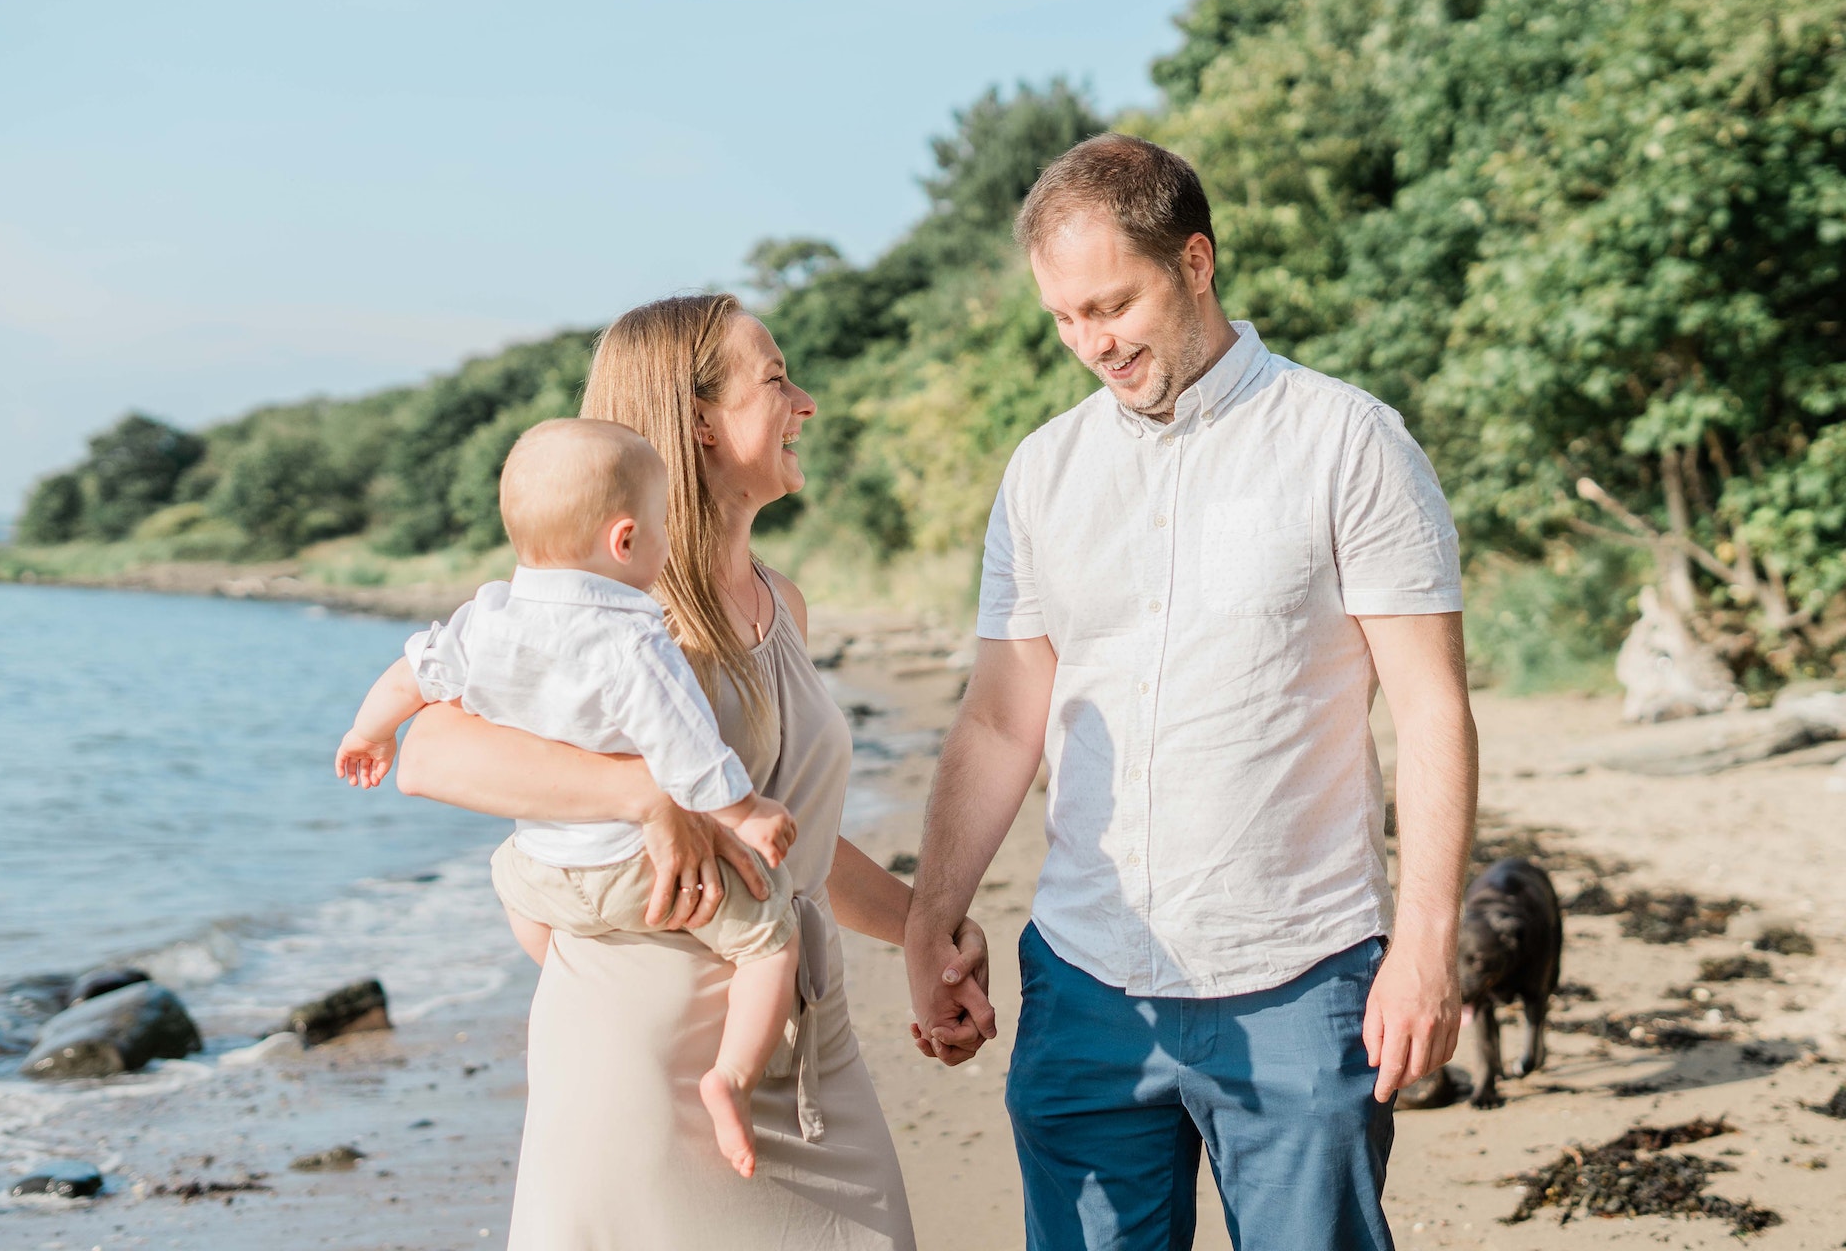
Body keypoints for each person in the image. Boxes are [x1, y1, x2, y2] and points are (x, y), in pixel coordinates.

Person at [905, 133, 1478, 1250]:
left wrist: (1426, 945)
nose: (1092, 343)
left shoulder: (1348, 440)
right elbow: (999, 718)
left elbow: (1432, 709)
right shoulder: (1042, 472)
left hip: (1303, 977)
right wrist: (931, 917)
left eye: (1113, 304)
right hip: (1083, 985)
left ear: (1197, 262)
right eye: (1065, 318)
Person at [392, 293, 992, 1250]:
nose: (807, 402)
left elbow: (792, 838)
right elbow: (425, 751)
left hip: (803, 1041)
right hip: (642, 1054)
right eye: (776, 379)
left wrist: (922, 934)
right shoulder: (611, 618)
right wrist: (638, 795)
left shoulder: (780, 603)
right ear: (701, 422)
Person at [334, 417, 803, 1179]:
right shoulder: (630, 637)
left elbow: (411, 675)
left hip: (543, 877)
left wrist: (368, 733)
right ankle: (733, 1077)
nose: (664, 545)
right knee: (768, 941)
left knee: (507, 872)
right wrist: (745, 813)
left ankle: (562, 973)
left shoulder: (485, 619)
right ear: (625, 541)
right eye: (658, 530)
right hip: (637, 868)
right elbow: (685, 747)